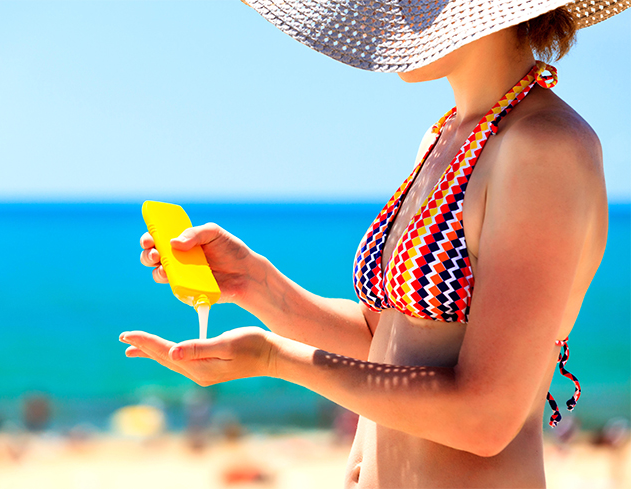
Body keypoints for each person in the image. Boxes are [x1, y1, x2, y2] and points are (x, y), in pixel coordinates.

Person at [120, 1, 628, 487]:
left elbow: (486, 416)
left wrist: (276, 360)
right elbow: (391, 346)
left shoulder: (543, 146)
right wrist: (255, 283)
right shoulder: (451, 135)